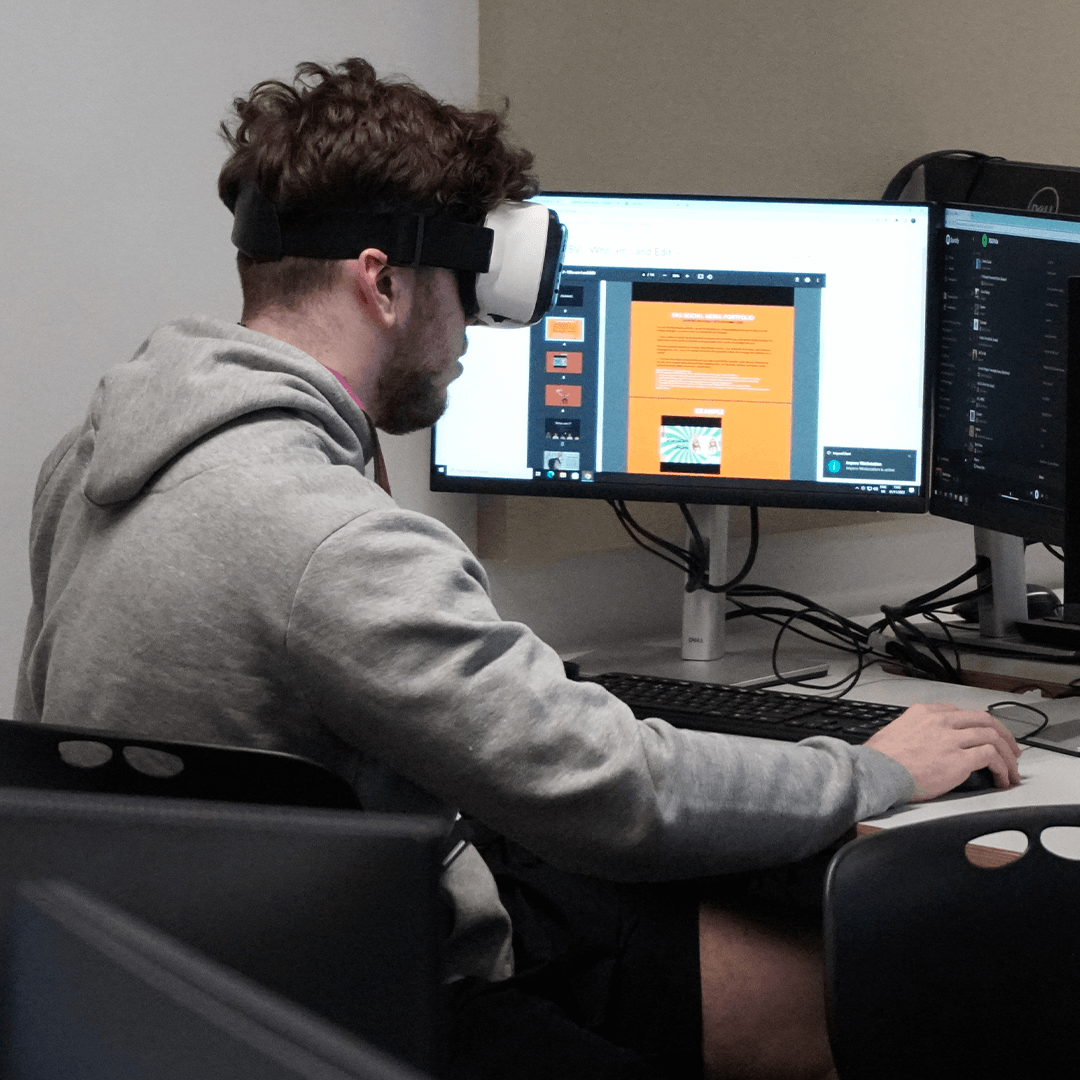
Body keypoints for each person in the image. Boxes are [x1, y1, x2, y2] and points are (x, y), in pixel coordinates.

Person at [14, 59, 1022, 1079]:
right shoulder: (327, 536)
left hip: (161, 970)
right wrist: (874, 766)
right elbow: (624, 796)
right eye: (468, 291)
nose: (472, 340)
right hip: (340, 992)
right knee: (908, 987)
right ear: (385, 281)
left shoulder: (104, 449)